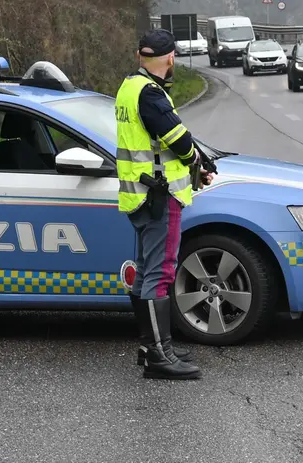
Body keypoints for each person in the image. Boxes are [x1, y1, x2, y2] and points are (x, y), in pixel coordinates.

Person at [115, 29, 215, 380]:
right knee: (160, 273)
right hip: (160, 195)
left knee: (146, 271)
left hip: (139, 195)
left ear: (139, 56)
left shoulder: (129, 87)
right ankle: (159, 355)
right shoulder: (151, 93)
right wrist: (198, 162)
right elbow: (178, 139)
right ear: (171, 57)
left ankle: (151, 347)